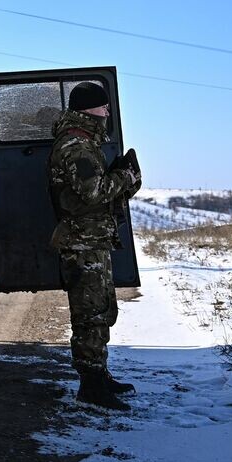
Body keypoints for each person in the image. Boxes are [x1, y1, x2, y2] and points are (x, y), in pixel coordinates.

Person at [47, 81, 141, 410]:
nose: (108, 113)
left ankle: (99, 375)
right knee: (89, 315)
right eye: (104, 108)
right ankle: (90, 385)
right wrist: (125, 178)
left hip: (92, 239)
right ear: (91, 110)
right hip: (81, 242)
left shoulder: (86, 142)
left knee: (100, 312)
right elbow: (92, 192)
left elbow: (94, 190)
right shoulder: (75, 144)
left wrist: (120, 179)